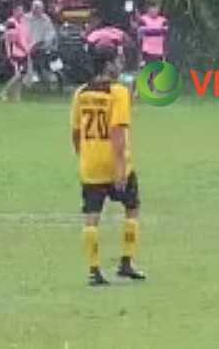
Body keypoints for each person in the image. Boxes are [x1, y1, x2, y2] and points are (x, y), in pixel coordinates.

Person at [71, 43, 145, 287]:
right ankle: (126, 263)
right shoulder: (119, 93)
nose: (121, 64)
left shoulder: (81, 92)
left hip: (90, 163)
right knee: (132, 208)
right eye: (118, 60)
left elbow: (76, 132)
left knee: (92, 216)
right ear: (108, 64)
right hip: (115, 162)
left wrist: (83, 156)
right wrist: (120, 169)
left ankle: (94, 270)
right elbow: (117, 133)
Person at [0, 9, 32, 102]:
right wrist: (24, 50)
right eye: (19, 11)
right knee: (17, 75)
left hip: (22, 54)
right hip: (15, 54)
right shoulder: (11, 25)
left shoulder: (23, 24)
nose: (21, 13)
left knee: (21, 76)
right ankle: (4, 92)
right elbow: (14, 41)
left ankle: (17, 95)